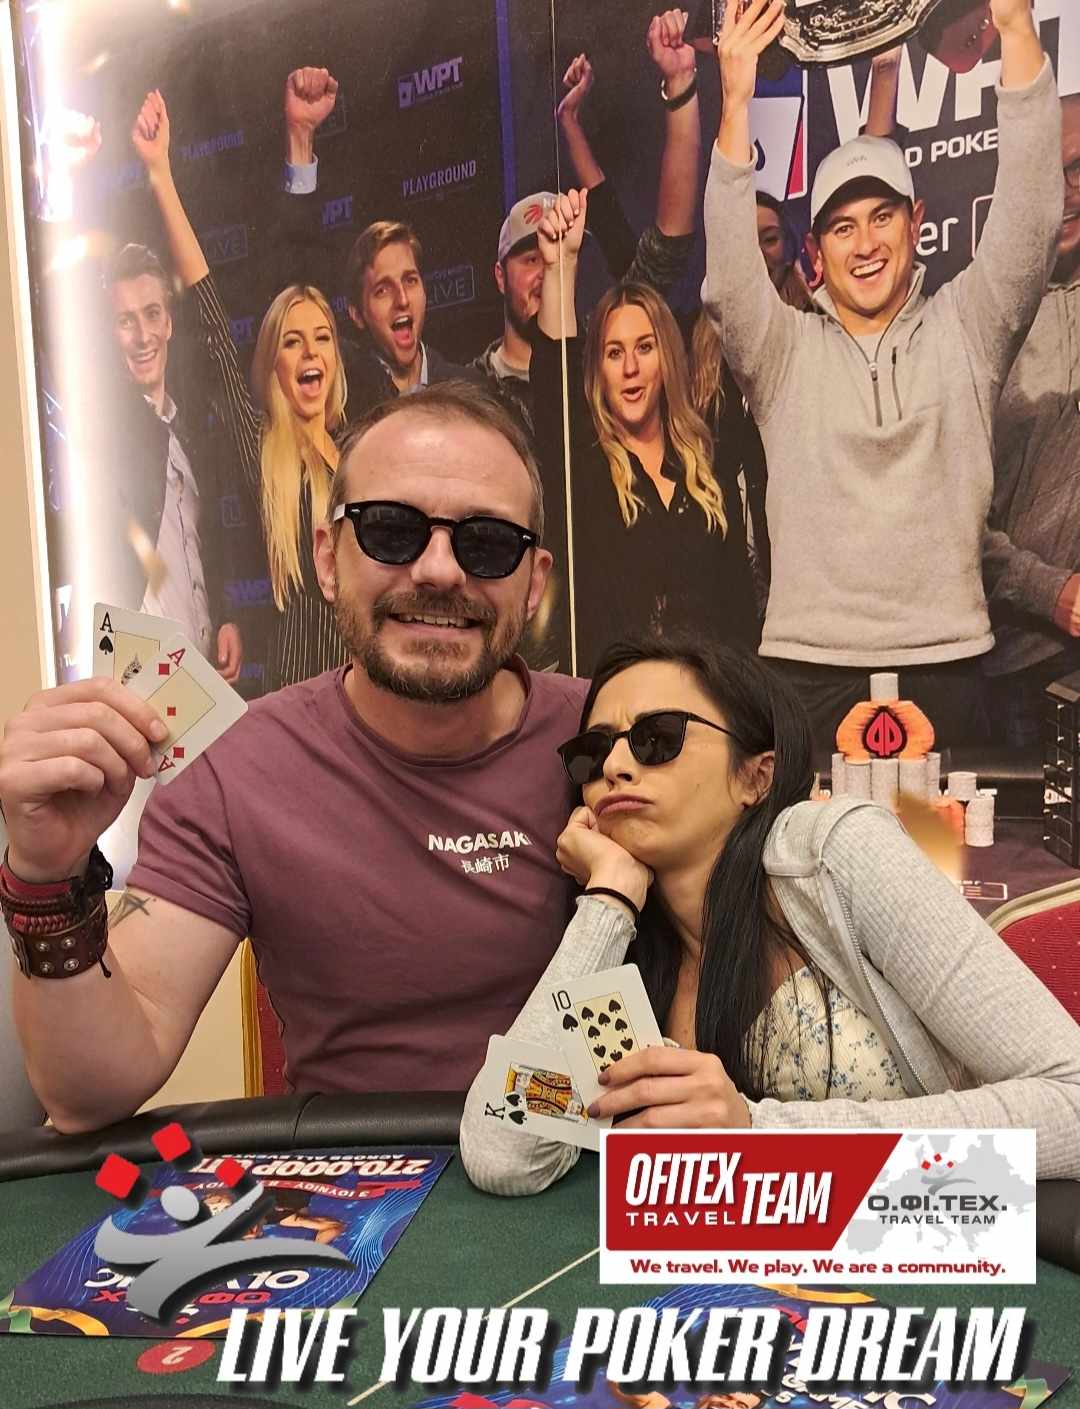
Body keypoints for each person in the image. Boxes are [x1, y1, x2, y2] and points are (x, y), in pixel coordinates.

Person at [0, 382, 585, 1134]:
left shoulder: (624, 741)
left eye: (489, 542)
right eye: (391, 529)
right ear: (327, 559)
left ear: (534, 583)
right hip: (355, 1185)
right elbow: (89, 1094)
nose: (440, 571)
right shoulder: (237, 770)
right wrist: (46, 874)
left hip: (590, 1176)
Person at [458, 633, 1080, 1196]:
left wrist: (759, 1134)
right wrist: (610, 899)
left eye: (657, 739)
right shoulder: (620, 943)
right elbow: (506, 1155)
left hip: (921, 1243)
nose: (616, 768)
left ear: (756, 777)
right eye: (593, 754)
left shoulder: (834, 855)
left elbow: (1071, 1103)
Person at [702, 0, 1061, 757]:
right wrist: (735, 102)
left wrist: (1017, 31)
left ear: (915, 220)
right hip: (808, 669)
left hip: (948, 664)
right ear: (816, 250)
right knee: (812, 841)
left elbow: (1030, 223)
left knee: (941, 842)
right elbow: (731, 281)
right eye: (842, 226)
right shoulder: (783, 353)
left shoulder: (968, 328)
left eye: (881, 217)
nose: (864, 243)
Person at [132, 88, 349, 692]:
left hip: (369, 696)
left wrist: (303, 142)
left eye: (323, 338)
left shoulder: (362, 451)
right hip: (300, 696)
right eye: (292, 342)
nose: (311, 353)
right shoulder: (263, 446)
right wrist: (160, 174)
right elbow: (208, 315)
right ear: (273, 364)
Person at [532, 192, 759, 678]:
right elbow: (554, 381)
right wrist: (560, 267)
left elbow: (738, 611)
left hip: (706, 701)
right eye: (614, 353)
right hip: (618, 707)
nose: (631, 368)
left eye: (644, 348)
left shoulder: (705, 464)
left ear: (667, 358)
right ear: (598, 370)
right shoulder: (586, 465)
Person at [278, 66, 479, 411]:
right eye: (382, 290)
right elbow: (297, 286)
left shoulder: (468, 393)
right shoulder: (344, 399)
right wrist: (300, 135)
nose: (402, 300)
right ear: (357, 314)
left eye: (410, 281)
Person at [95, 244, 243, 681]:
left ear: (169, 323)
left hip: (205, 679)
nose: (144, 336)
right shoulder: (104, 438)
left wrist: (226, 618)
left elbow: (200, 547)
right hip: (145, 683)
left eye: (152, 314)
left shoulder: (187, 435)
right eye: (126, 321)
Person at [982, 94, 1080, 748]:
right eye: (1049, 169)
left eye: (1078, 169)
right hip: (1028, 665)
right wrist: (1052, 592)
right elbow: (948, 517)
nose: (1065, 190)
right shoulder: (985, 321)